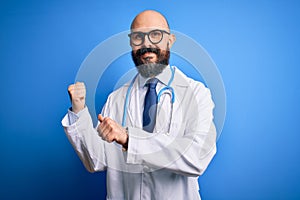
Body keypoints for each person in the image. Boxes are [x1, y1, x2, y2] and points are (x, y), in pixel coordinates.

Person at [62, 10, 217, 200]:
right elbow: (96, 160)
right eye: (138, 37)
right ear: (130, 43)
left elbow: (197, 156)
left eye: (156, 35)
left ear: (171, 40)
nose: (147, 44)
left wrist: (130, 139)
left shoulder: (196, 93)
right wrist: (79, 112)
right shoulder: (116, 99)